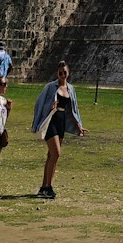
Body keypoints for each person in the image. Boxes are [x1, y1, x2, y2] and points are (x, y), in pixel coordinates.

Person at [31, 61, 86, 199]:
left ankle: (44, 187)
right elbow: (39, 103)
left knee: (51, 156)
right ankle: (48, 187)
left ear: (68, 73)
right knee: (56, 154)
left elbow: (73, 109)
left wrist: (78, 124)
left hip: (61, 122)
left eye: (64, 73)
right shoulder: (50, 87)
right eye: (60, 73)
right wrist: (50, 106)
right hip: (51, 122)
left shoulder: (71, 89)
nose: (62, 75)